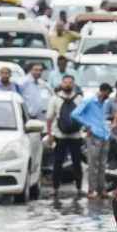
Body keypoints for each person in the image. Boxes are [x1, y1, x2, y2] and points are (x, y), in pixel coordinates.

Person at [46, 73, 90, 204]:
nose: (68, 85)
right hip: (60, 136)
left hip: (76, 136)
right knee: (57, 163)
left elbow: (85, 116)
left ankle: (79, 188)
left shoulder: (80, 99)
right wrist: (50, 135)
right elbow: (49, 118)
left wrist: (87, 129)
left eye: (70, 82)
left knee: (77, 163)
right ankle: (55, 188)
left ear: (74, 84)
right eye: (66, 82)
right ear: (61, 83)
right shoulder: (54, 99)